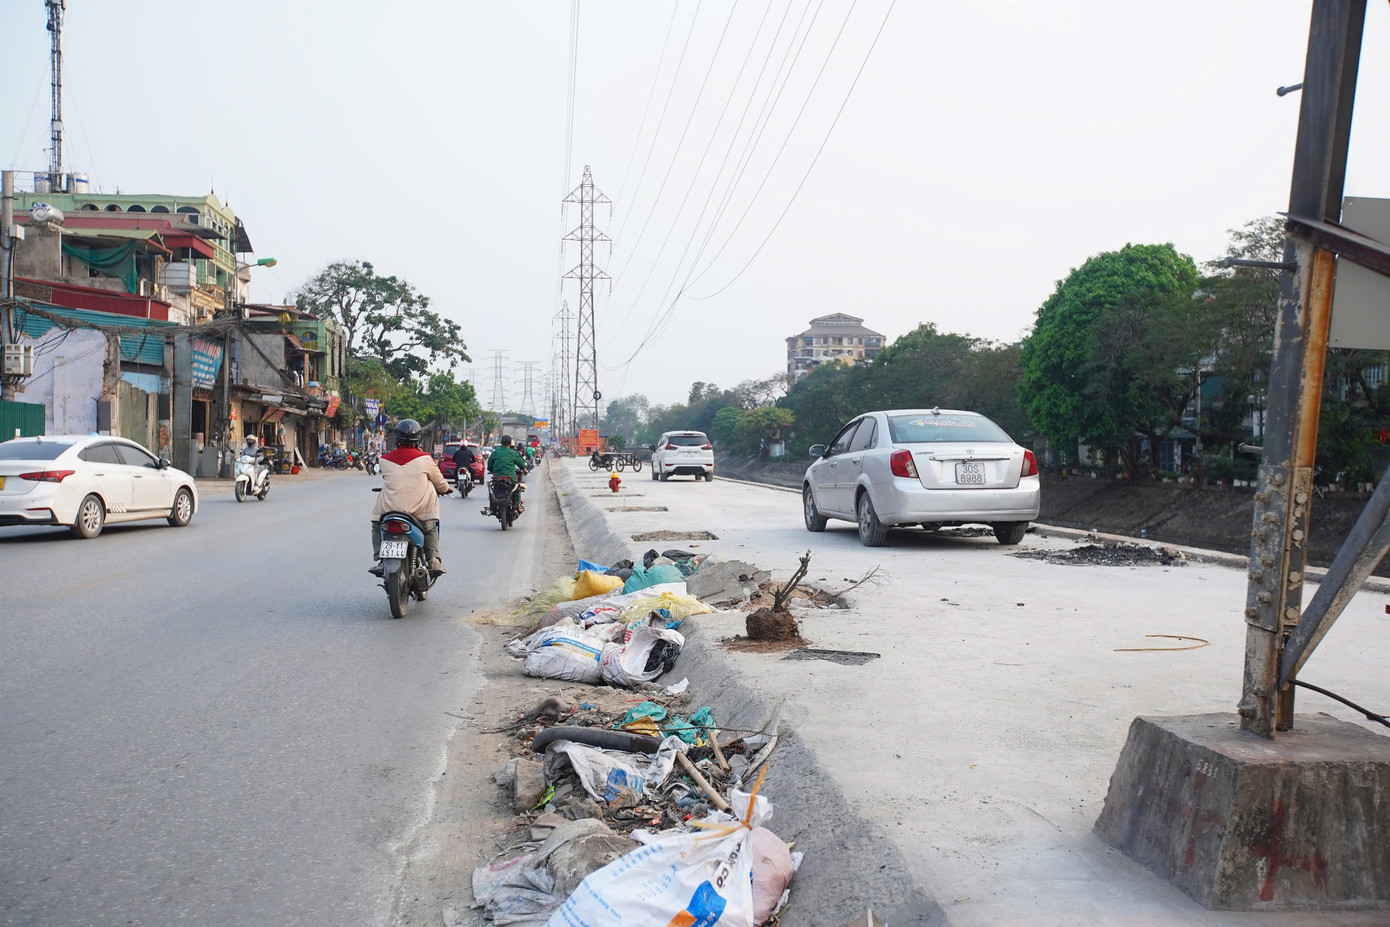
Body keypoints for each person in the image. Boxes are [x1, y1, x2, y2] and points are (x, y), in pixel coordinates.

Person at [371, 419, 451, 575]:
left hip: (389, 511)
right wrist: (446, 489)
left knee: (376, 525)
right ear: (418, 438)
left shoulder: (384, 460)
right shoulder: (425, 459)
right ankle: (433, 559)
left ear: (397, 438)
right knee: (430, 528)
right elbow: (440, 483)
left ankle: (381, 559)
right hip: (419, 511)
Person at [486, 434, 527, 513]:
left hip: (497, 478)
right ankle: (518, 505)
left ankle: (492, 508)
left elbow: (489, 466)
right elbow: (521, 464)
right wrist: (525, 470)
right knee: (517, 488)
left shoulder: (495, 453)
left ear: (501, 443)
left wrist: (493, 471)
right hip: (511, 478)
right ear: (510, 443)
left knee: (492, 489)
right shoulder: (513, 453)